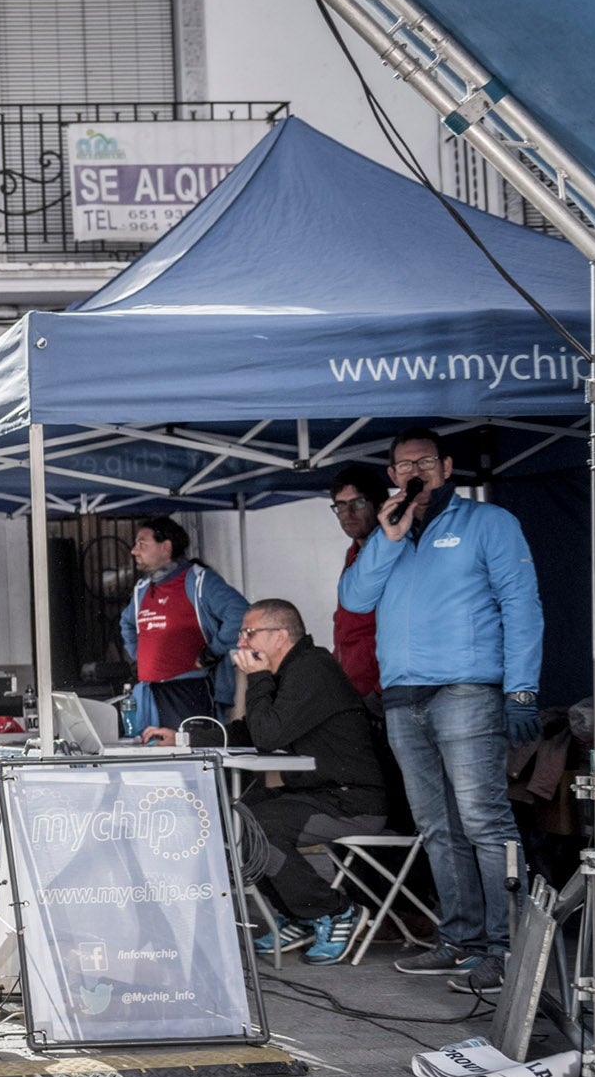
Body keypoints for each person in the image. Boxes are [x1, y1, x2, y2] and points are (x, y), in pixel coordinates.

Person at [339, 426, 543, 996]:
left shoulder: (489, 523)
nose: (414, 472)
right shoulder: (387, 534)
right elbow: (355, 600)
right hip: (404, 695)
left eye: (424, 461)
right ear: (392, 477)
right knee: (436, 826)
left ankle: (508, 950)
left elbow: (522, 605)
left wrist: (521, 690)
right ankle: (461, 940)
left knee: (483, 821)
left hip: (466, 690)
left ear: (446, 466)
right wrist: (386, 536)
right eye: (403, 466)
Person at [144, 599, 388, 963]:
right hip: (318, 794)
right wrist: (184, 739)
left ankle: (334, 910)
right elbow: (249, 731)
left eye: (249, 633)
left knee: (259, 827)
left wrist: (255, 679)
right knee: (237, 818)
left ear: (281, 636)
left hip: (352, 801)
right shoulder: (291, 670)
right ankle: (299, 914)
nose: (241, 642)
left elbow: (267, 735)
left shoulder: (312, 668)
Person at [120, 516, 248, 734]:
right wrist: (138, 656)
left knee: (194, 761)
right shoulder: (142, 587)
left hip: (188, 691)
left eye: (142, 544)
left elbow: (241, 612)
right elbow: (127, 623)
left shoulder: (199, 580)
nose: (134, 551)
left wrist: (214, 650)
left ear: (166, 547)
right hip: (149, 693)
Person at [327, 466, 389, 700]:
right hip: (353, 688)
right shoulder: (354, 553)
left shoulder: (392, 553)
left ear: (380, 505)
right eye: (340, 505)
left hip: (383, 691)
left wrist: (380, 690)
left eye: (358, 503)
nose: (347, 513)